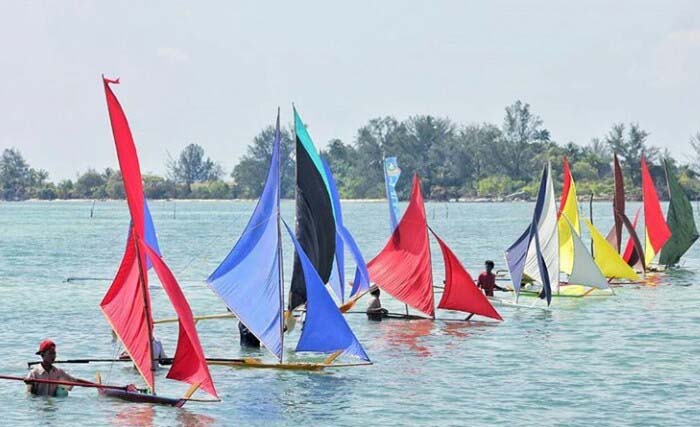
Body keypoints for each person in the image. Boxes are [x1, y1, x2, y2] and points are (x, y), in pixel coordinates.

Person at [25, 339, 91, 397]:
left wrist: (95, 385)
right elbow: (30, 396)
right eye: (50, 353)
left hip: (53, 405)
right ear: (42, 355)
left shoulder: (58, 372)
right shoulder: (34, 373)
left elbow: (75, 381)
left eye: (54, 353)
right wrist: (30, 383)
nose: (53, 356)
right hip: (39, 405)